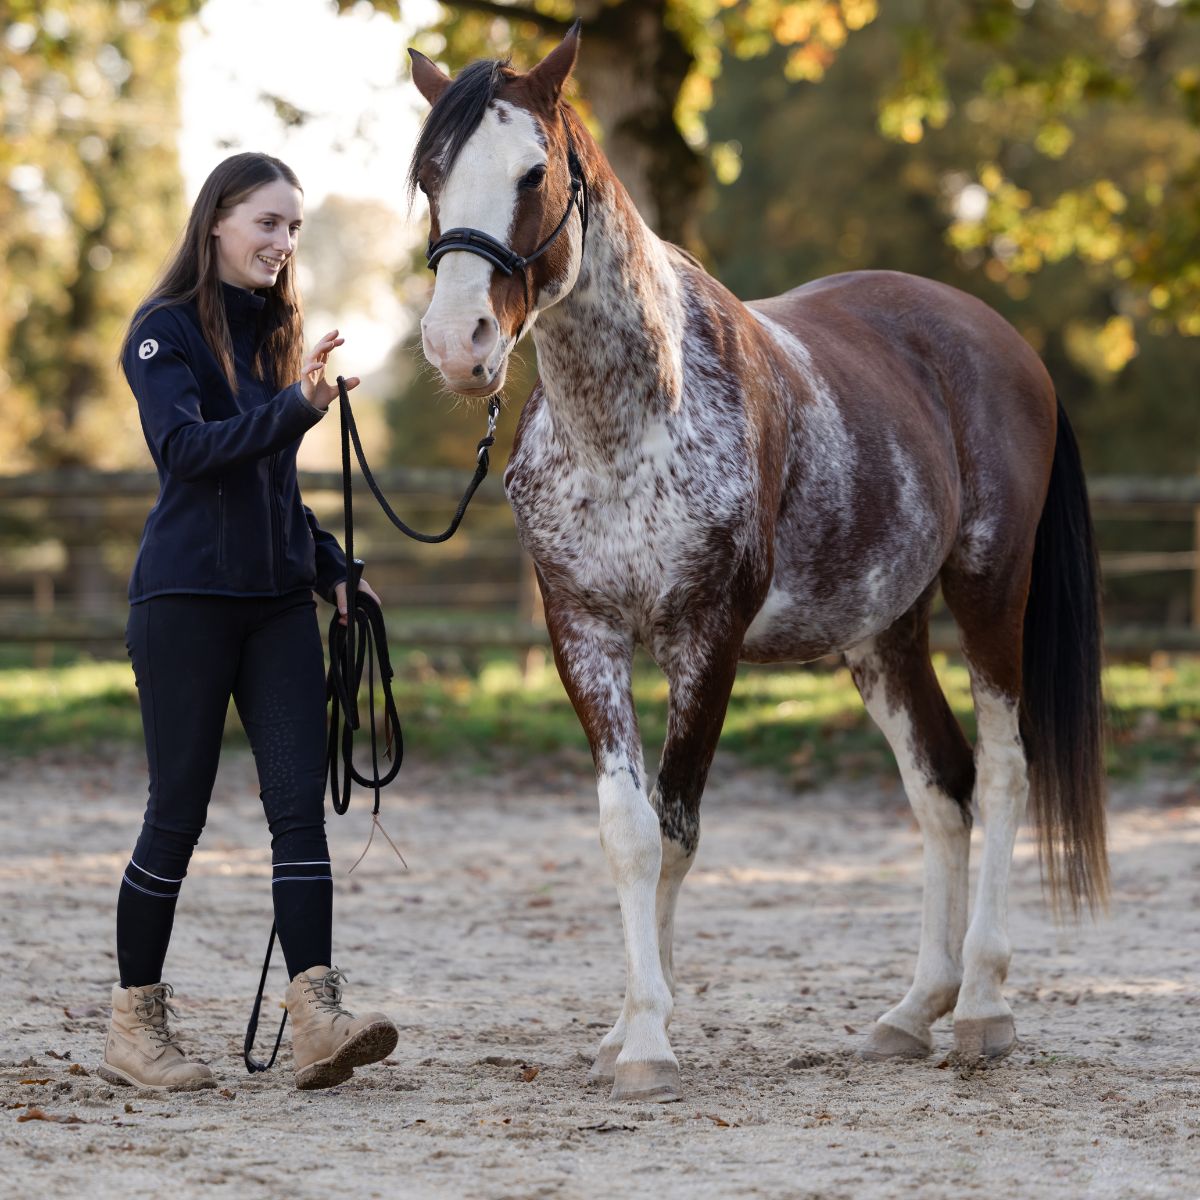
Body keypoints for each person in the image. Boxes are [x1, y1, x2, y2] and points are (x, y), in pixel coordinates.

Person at [99, 152, 398, 1092]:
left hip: (274, 609)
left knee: (295, 814)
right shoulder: (161, 334)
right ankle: (135, 1027)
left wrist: (332, 571)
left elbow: (270, 485)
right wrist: (299, 410)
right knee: (176, 815)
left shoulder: (278, 335)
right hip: (184, 603)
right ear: (218, 220)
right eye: (267, 222)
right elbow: (188, 455)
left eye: (294, 228)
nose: (282, 243)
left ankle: (317, 1015)